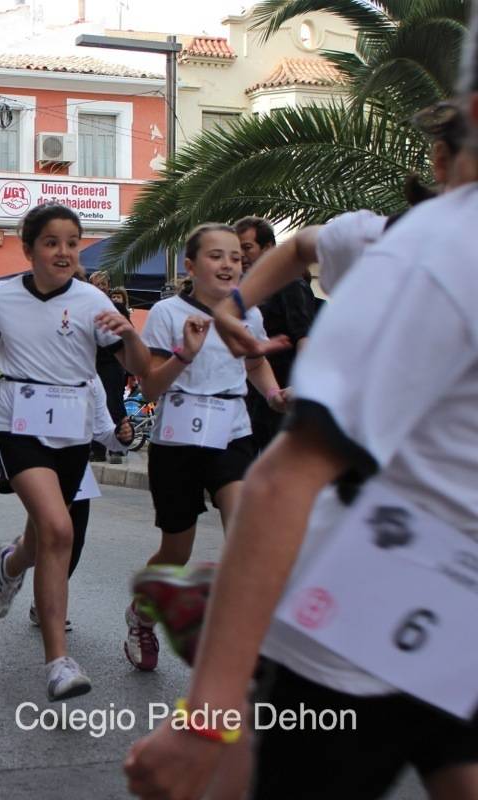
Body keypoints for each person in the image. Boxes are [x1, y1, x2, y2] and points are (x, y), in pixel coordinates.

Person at [124, 68, 478, 798]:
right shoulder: (414, 249)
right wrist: (231, 307)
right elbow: (287, 474)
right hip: (357, 620)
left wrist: (235, 310)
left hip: (456, 627)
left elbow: (306, 248)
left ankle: (231, 600)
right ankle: (239, 613)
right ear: (445, 160)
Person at [0, 203, 150, 700]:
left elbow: (137, 366)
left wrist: (132, 335)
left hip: (72, 430)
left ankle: (11, 563)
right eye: (51, 242)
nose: (63, 252)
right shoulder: (0, 298)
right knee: (59, 529)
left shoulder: (95, 302)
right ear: (28, 248)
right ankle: (58, 662)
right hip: (20, 423)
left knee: (41, 539)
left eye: (72, 242)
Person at [122, 224, 288, 673]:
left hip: (231, 430)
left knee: (244, 531)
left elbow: (255, 362)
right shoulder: (166, 312)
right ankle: (142, 613)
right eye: (217, 256)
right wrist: (185, 355)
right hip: (177, 437)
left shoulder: (248, 315)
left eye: (235, 256)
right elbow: (151, 384)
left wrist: (273, 395)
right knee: (177, 550)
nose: (229, 264)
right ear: (191, 266)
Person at [0, 378, 133, 630]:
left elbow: (103, 431)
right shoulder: (30, 364)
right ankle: (55, 650)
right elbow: (1, 415)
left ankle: (19, 572)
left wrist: (120, 436)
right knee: (54, 535)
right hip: (34, 463)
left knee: (69, 540)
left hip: (74, 468)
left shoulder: (89, 378)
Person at [234, 217, 315, 454]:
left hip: (281, 394)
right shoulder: (239, 292)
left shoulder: (290, 284)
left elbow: (304, 335)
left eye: (247, 247)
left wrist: (298, 384)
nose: (241, 255)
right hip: (249, 395)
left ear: (268, 248)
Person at [87, 271, 131, 465]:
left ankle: (119, 444)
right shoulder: (85, 306)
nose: (102, 287)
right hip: (91, 362)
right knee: (93, 406)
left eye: (104, 284)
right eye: (98, 284)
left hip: (112, 362)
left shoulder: (117, 307)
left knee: (114, 403)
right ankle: (97, 449)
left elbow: (127, 334)